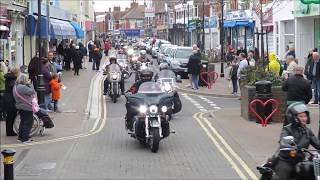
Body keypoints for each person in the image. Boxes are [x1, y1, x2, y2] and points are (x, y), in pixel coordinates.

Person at [271, 102, 320, 180]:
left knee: (310, 170)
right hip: (286, 160)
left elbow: (317, 143)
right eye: (301, 116)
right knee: (283, 174)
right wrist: (286, 145)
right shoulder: (287, 129)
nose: (304, 118)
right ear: (294, 118)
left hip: (301, 159)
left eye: (305, 116)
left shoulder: (307, 131)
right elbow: (283, 141)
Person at [13, 74, 37, 143]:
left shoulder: (15, 86)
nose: (27, 80)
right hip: (26, 106)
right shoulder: (23, 87)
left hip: (20, 106)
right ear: (24, 80)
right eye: (26, 79)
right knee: (28, 123)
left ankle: (20, 137)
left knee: (23, 122)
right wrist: (30, 84)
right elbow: (32, 91)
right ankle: (25, 139)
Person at [3, 67, 20, 136]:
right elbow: (13, 88)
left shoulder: (9, 78)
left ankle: (9, 131)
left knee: (10, 116)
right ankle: (9, 132)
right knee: (11, 116)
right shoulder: (12, 79)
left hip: (8, 99)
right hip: (10, 100)